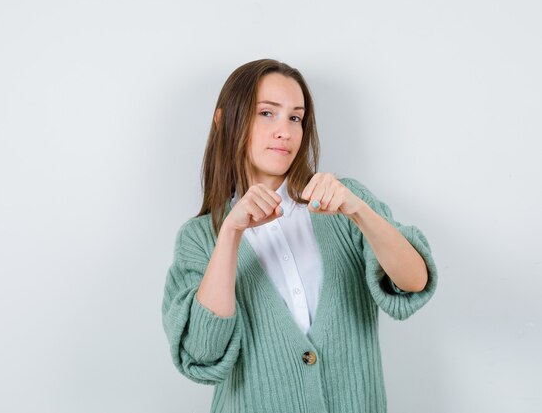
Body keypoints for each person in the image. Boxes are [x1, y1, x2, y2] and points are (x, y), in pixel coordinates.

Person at [161, 59, 437, 413]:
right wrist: (230, 232)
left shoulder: (343, 203)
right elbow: (202, 354)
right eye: (266, 113)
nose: (285, 131)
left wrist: (359, 211)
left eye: (295, 117)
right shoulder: (199, 238)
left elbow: (414, 282)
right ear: (223, 121)